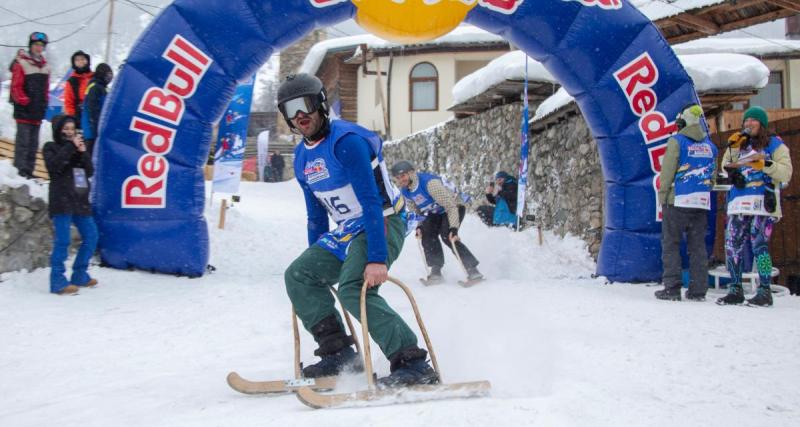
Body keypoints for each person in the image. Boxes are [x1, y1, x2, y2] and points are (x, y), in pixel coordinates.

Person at [279, 73, 438, 387]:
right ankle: (338, 354)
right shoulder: (301, 157)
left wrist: (377, 258)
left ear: (321, 105)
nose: (300, 115)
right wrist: (317, 259)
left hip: (381, 220)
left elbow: (371, 203)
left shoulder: (346, 142)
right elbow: (316, 218)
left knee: (354, 287)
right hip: (347, 231)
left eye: (306, 105)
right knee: (298, 274)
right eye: (290, 109)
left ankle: (413, 362)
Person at [717, 106, 792, 306]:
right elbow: (725, 169)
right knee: (732, 245)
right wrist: (733, 169)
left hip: (762, 204)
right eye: (746, 121)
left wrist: (765, 165)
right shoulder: (738, 144)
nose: (749, 124)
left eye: (753, 120)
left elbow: (785, 173)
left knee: (760, 246)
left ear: (763, 124)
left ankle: (765, 289)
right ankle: (735, 288)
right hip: (738, 204)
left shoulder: (776, 145)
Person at [654, 104, 717, 302]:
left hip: (678, 200)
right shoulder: (710, 146)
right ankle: (698, 290)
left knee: (671, 243)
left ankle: (672, 288)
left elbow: (667, 173)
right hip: (701, 202)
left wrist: (662, 197)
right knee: (697, 246)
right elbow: (712, 176)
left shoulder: (677, 141)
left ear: (682, 122)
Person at [390, 160, 483, 284]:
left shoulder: (429, 184)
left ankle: (473, 270)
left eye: (403, 176)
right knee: (427, 234)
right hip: (434, 212)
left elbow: (451, 206)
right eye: (398, 178)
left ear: (412, 173)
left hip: (453, 207)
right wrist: (420, 226)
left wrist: (454, 229)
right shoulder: (405, 192)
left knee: (447, 235)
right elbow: (417, 212)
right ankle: (436, 271)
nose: (401, 180)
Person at [42, 115, 99, 295]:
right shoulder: (51, 147)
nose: (69, 132)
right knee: (63, 241)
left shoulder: (76, 149)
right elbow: (54, 166)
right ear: (58, 130)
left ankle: (80, 273)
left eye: (72, 128)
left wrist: (82, 153)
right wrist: (70, 146)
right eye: (66, 129)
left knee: (91, 236)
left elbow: (89, 170)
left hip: (80, 200)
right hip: (62, 200)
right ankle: (57, 280)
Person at [10, 32, 51, 179]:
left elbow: (46, 88)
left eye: (41, 46)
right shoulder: (22, 63)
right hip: (24, 111)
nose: (38, 48)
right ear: (31, 46)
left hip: (37, 111)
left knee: (34, 145)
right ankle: (19, 172)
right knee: (23, 143)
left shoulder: (46, 66)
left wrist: (44, 102)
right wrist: (24, 101)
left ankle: (29, 171)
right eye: (36, 45)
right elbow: (16, 86)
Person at [81, 63, 113, 156]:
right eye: (108, 75)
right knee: (91, 155)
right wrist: (96, 128)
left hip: (97, 127)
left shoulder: (103, 88)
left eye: (111, 75)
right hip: (91, 130)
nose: (109, 78)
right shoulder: (94, 87)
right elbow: (92, 109)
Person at [63, 50, 93, 123]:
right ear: (74, 63)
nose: (80, 62)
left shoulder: (95, 77)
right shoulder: (71, 81)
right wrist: (73, 120)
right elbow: (69, 102)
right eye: (77, 60)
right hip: (80, 116)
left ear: (87, 60)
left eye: (83, 59)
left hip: (94, 113)